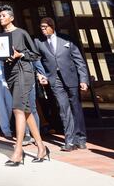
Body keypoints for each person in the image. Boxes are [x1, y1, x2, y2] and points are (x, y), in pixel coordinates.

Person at [0, 5, 49, 166]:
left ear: (11, 18)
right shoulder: (1, 36)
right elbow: (2, 55)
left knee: (18, 109)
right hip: (10, 74)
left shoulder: (21, 33)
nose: (1, 18)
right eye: (0, 16)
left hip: (23, 71)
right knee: (25, 110)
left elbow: (35, 54)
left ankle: (18, 151)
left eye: (4, 15)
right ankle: (41, 147)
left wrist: (21, 54)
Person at [34, 17, 89, 151]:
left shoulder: (66, 40)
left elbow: (79, 61)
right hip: (54, 79)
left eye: (45, 27)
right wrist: (40, 74)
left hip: (71, 78)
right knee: (64, 109)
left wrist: (83, 79)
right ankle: (69, 141)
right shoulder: (38, 42)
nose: (43, 30)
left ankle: (81, 138)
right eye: (41, 27)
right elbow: (37, 59)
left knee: (76, 108)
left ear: (52, 27)